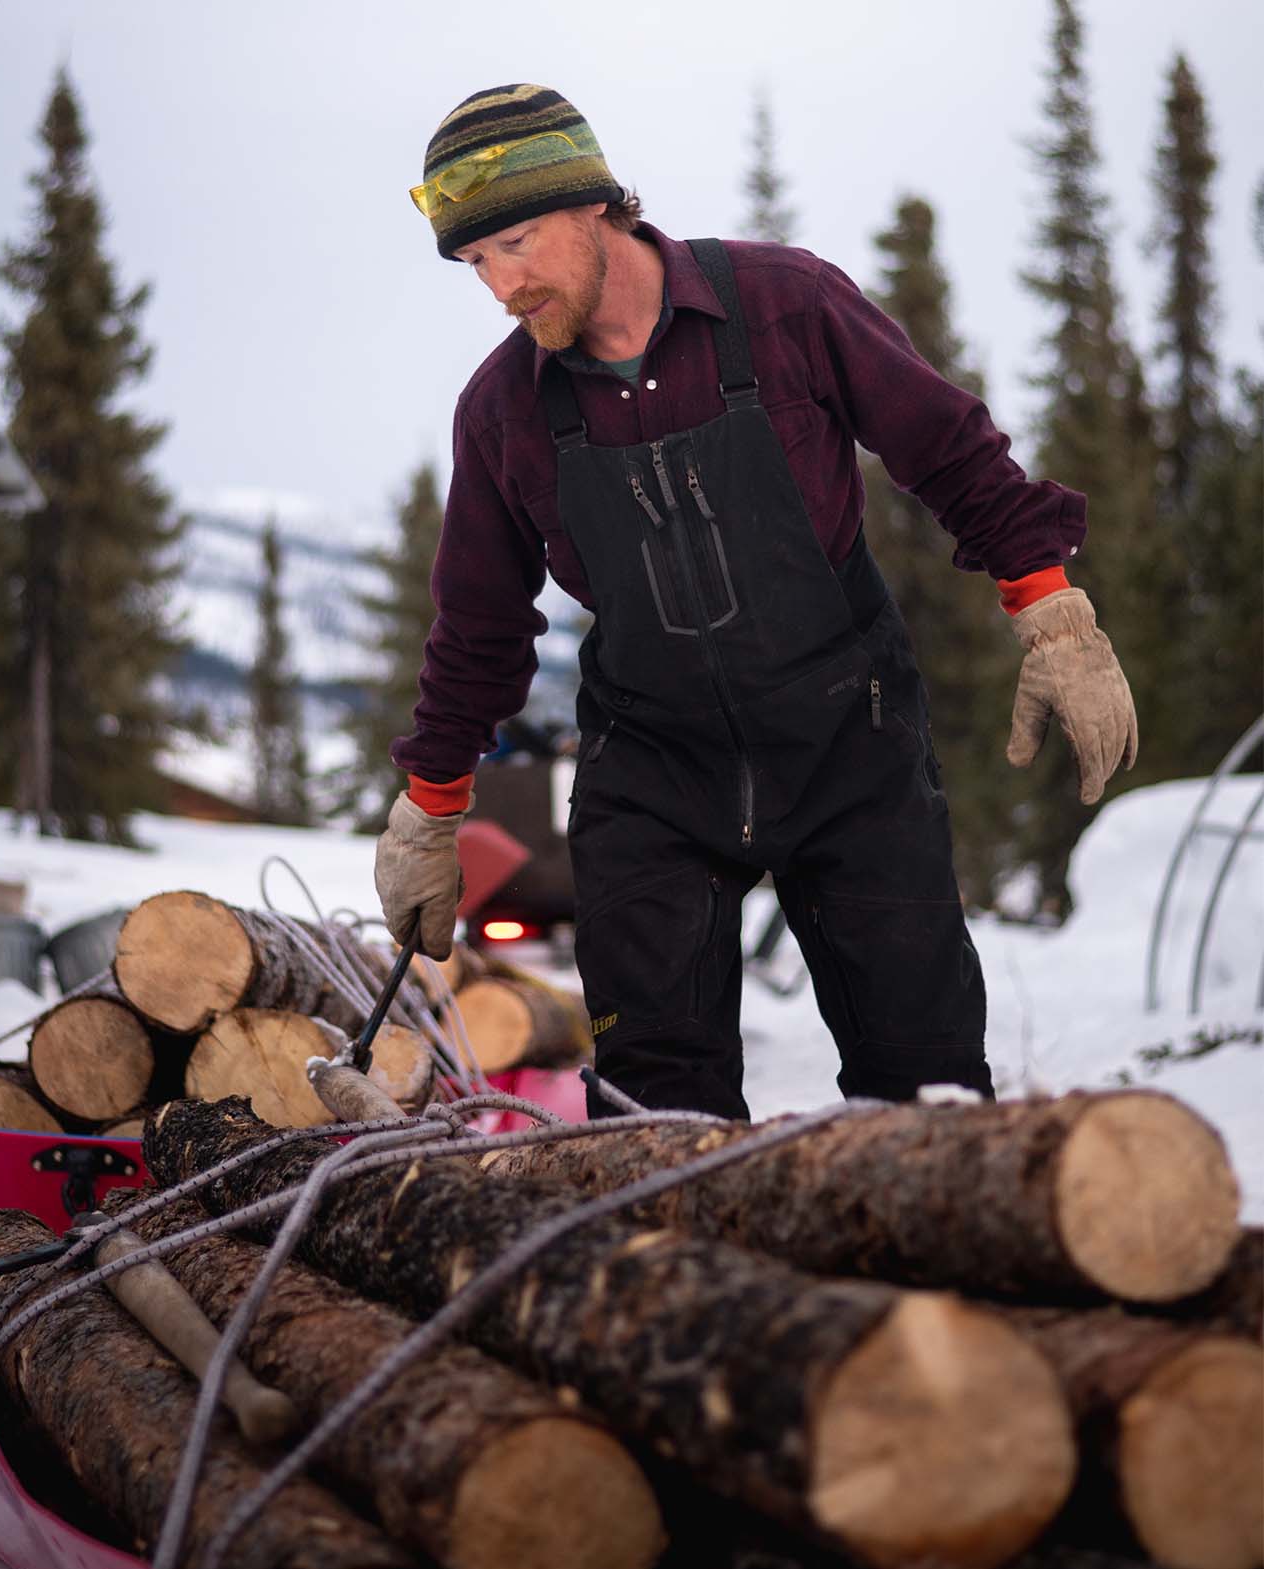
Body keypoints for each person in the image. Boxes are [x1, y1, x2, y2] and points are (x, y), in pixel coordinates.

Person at [374, 84, 1137, 1120]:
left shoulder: (784, 305)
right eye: (476, 264)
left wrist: (1052, 616)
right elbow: (480, 624)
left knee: (925, 1094)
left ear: (597, 202)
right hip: (650, 775)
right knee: (651, 1123)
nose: (502, 285)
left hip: (848, 747)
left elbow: (948, 451)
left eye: (516, 241)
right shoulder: (503, 410)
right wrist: (431, 808)